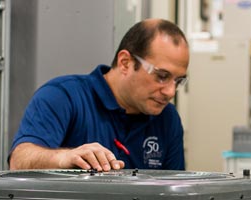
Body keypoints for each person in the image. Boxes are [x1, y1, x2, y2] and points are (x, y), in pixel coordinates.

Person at [10, 19, 189, 171]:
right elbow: (19, 162)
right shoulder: (63, 97)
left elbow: (176, 198)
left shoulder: (167, 118)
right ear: (125, 63)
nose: (170, 92)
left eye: (178, 81)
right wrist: (65, 158)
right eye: (162, 76)